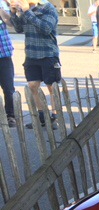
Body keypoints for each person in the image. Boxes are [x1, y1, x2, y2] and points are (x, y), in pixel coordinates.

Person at [9, 0, 61, 130]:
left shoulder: (48, 8)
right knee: (32, 86)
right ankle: (42, 116)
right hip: (31, 54)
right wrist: (14, 13)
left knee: (52, 87)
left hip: (48, 53)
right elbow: (19, 28)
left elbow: (46, 29)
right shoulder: (25, 8)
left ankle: (55, 117)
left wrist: (27, 12)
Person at [0, 1, 15, 127]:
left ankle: (10, 116)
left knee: (9, 88)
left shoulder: (2, 5)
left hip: (4, 55)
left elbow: (11, 23)